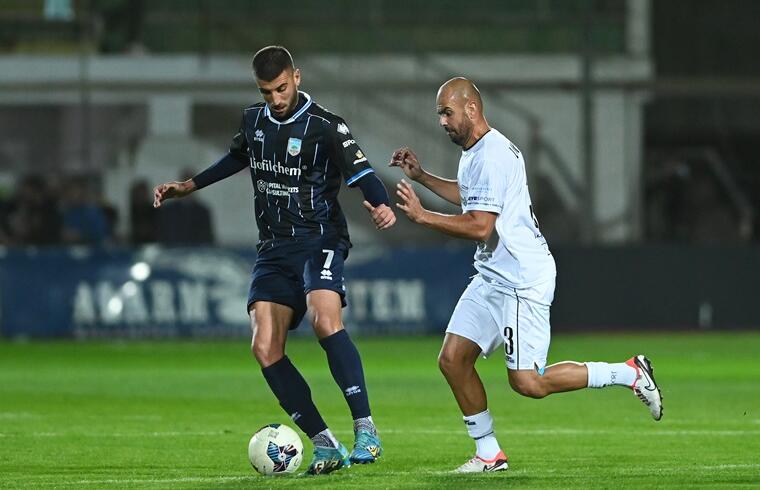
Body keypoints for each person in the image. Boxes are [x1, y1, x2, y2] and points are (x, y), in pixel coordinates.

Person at [390, 77, 662, 473]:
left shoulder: (493, 155)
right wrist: (423, 177)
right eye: (439, 114)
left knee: (529, 383)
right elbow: (471, 196)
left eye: (447, 112)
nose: (442, 122)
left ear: (470, 109)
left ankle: (629, 372)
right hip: (492, 275)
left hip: (521, 278)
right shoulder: (475, 151)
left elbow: (481, 226)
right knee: (452, 359)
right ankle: (488, 454)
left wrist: (422, 215)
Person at [153, 46, 395, 475]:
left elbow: (362, 172)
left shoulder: (326, 125)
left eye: (282, 88)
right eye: (267, 92)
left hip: (320, 240)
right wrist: (189, 186)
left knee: (325, 320)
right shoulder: (253, 120)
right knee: (264, 347)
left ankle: (367, 431)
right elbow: (236, 157)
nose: (276, 99)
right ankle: (324, 444)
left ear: (296, 77)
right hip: (273, 248)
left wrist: (381, 204)